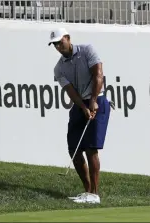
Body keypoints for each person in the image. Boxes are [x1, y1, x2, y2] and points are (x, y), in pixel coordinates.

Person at [48, 28, 111, 204]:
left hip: (97, 99)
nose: (58, 46)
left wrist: (92, 101)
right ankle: (87, 191)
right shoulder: (58, 68)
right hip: (79, 104)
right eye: (55, 44)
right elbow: (70, 91)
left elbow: (98, 75)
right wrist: (83, 106)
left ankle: (94, 194)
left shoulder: (87, 50)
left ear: (68, 38)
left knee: (91, 149)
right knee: (73, 148)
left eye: (60, 42)